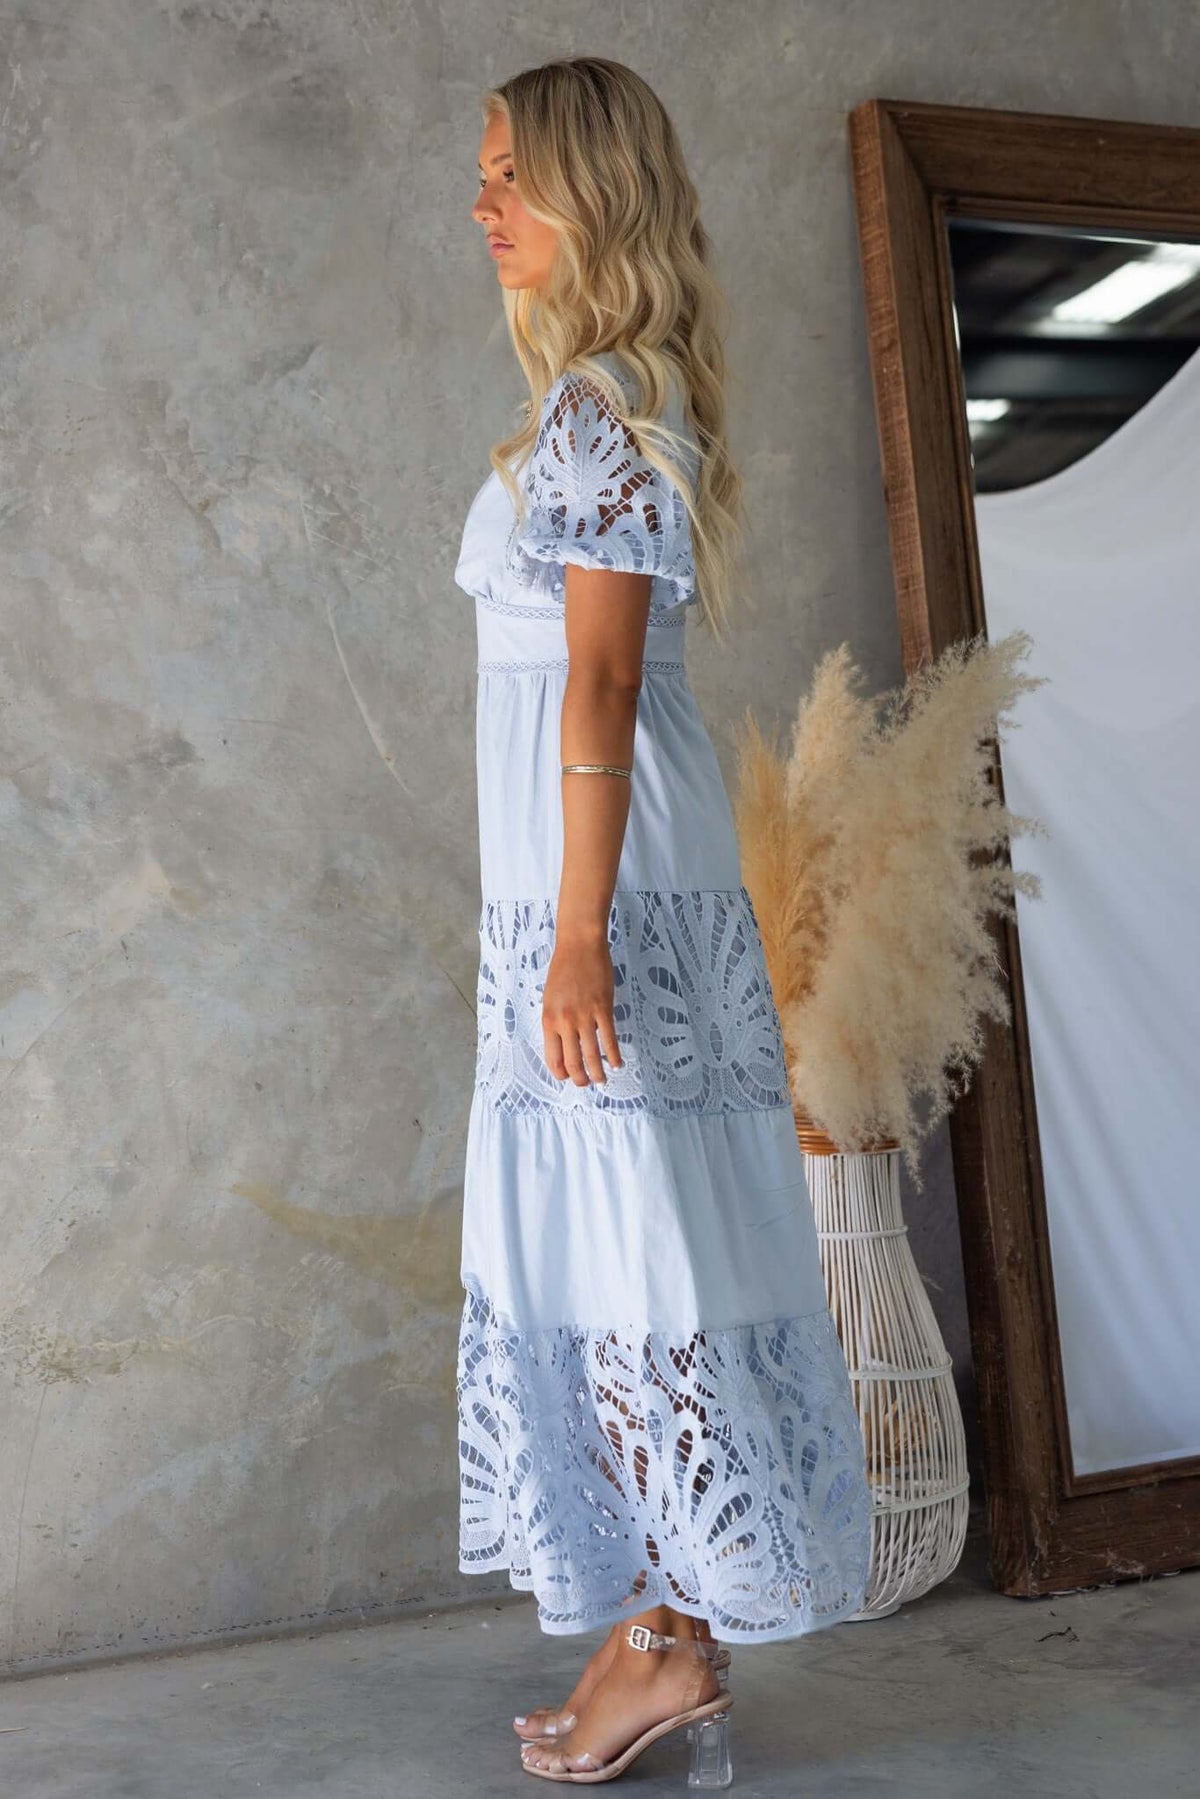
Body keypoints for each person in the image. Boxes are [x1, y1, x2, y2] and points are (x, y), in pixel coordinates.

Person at [454, 55, 872, 1787]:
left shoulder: (603, 411)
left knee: (633, 1251)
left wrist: (567, 938)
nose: (480, 208)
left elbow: (605, 684)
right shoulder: (621, 394)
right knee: (635, 1246)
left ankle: (660, 1651)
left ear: (588, 192)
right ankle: (658, 1641)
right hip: (602, 880)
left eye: (508, 178)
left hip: (605, 894)